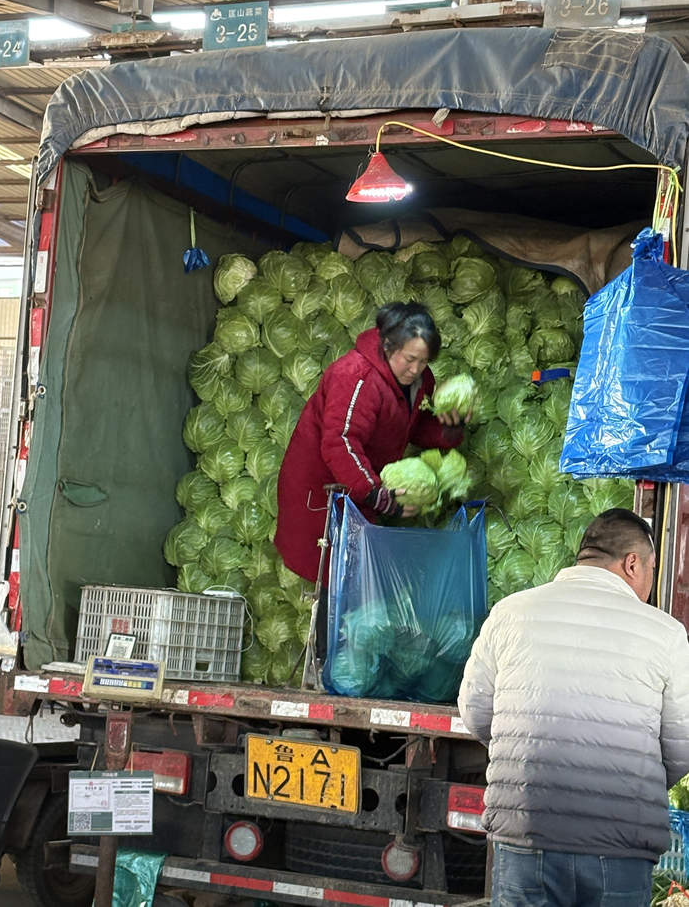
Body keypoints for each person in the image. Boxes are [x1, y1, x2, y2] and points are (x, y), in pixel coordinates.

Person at [457, 507, 689, 907]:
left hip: (525, 835)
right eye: (652, 569)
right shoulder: (665, 634)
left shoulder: (510, 613)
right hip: (622, 845)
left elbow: (475, 711)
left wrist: (525, 755)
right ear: (633, 564)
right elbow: (682, 745)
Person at [274, 301, 469, 587]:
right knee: (332, 572)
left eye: (424, 361)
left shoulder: (419, 380)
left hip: (359, 483)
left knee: (358, 572)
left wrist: (449, 431)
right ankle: (326, 628)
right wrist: (377, 495)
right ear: (389, 346)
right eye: (410, 358)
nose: (416, 369)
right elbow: (341, 443)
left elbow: (411, 426)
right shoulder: (356, 377)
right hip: (321, 488)